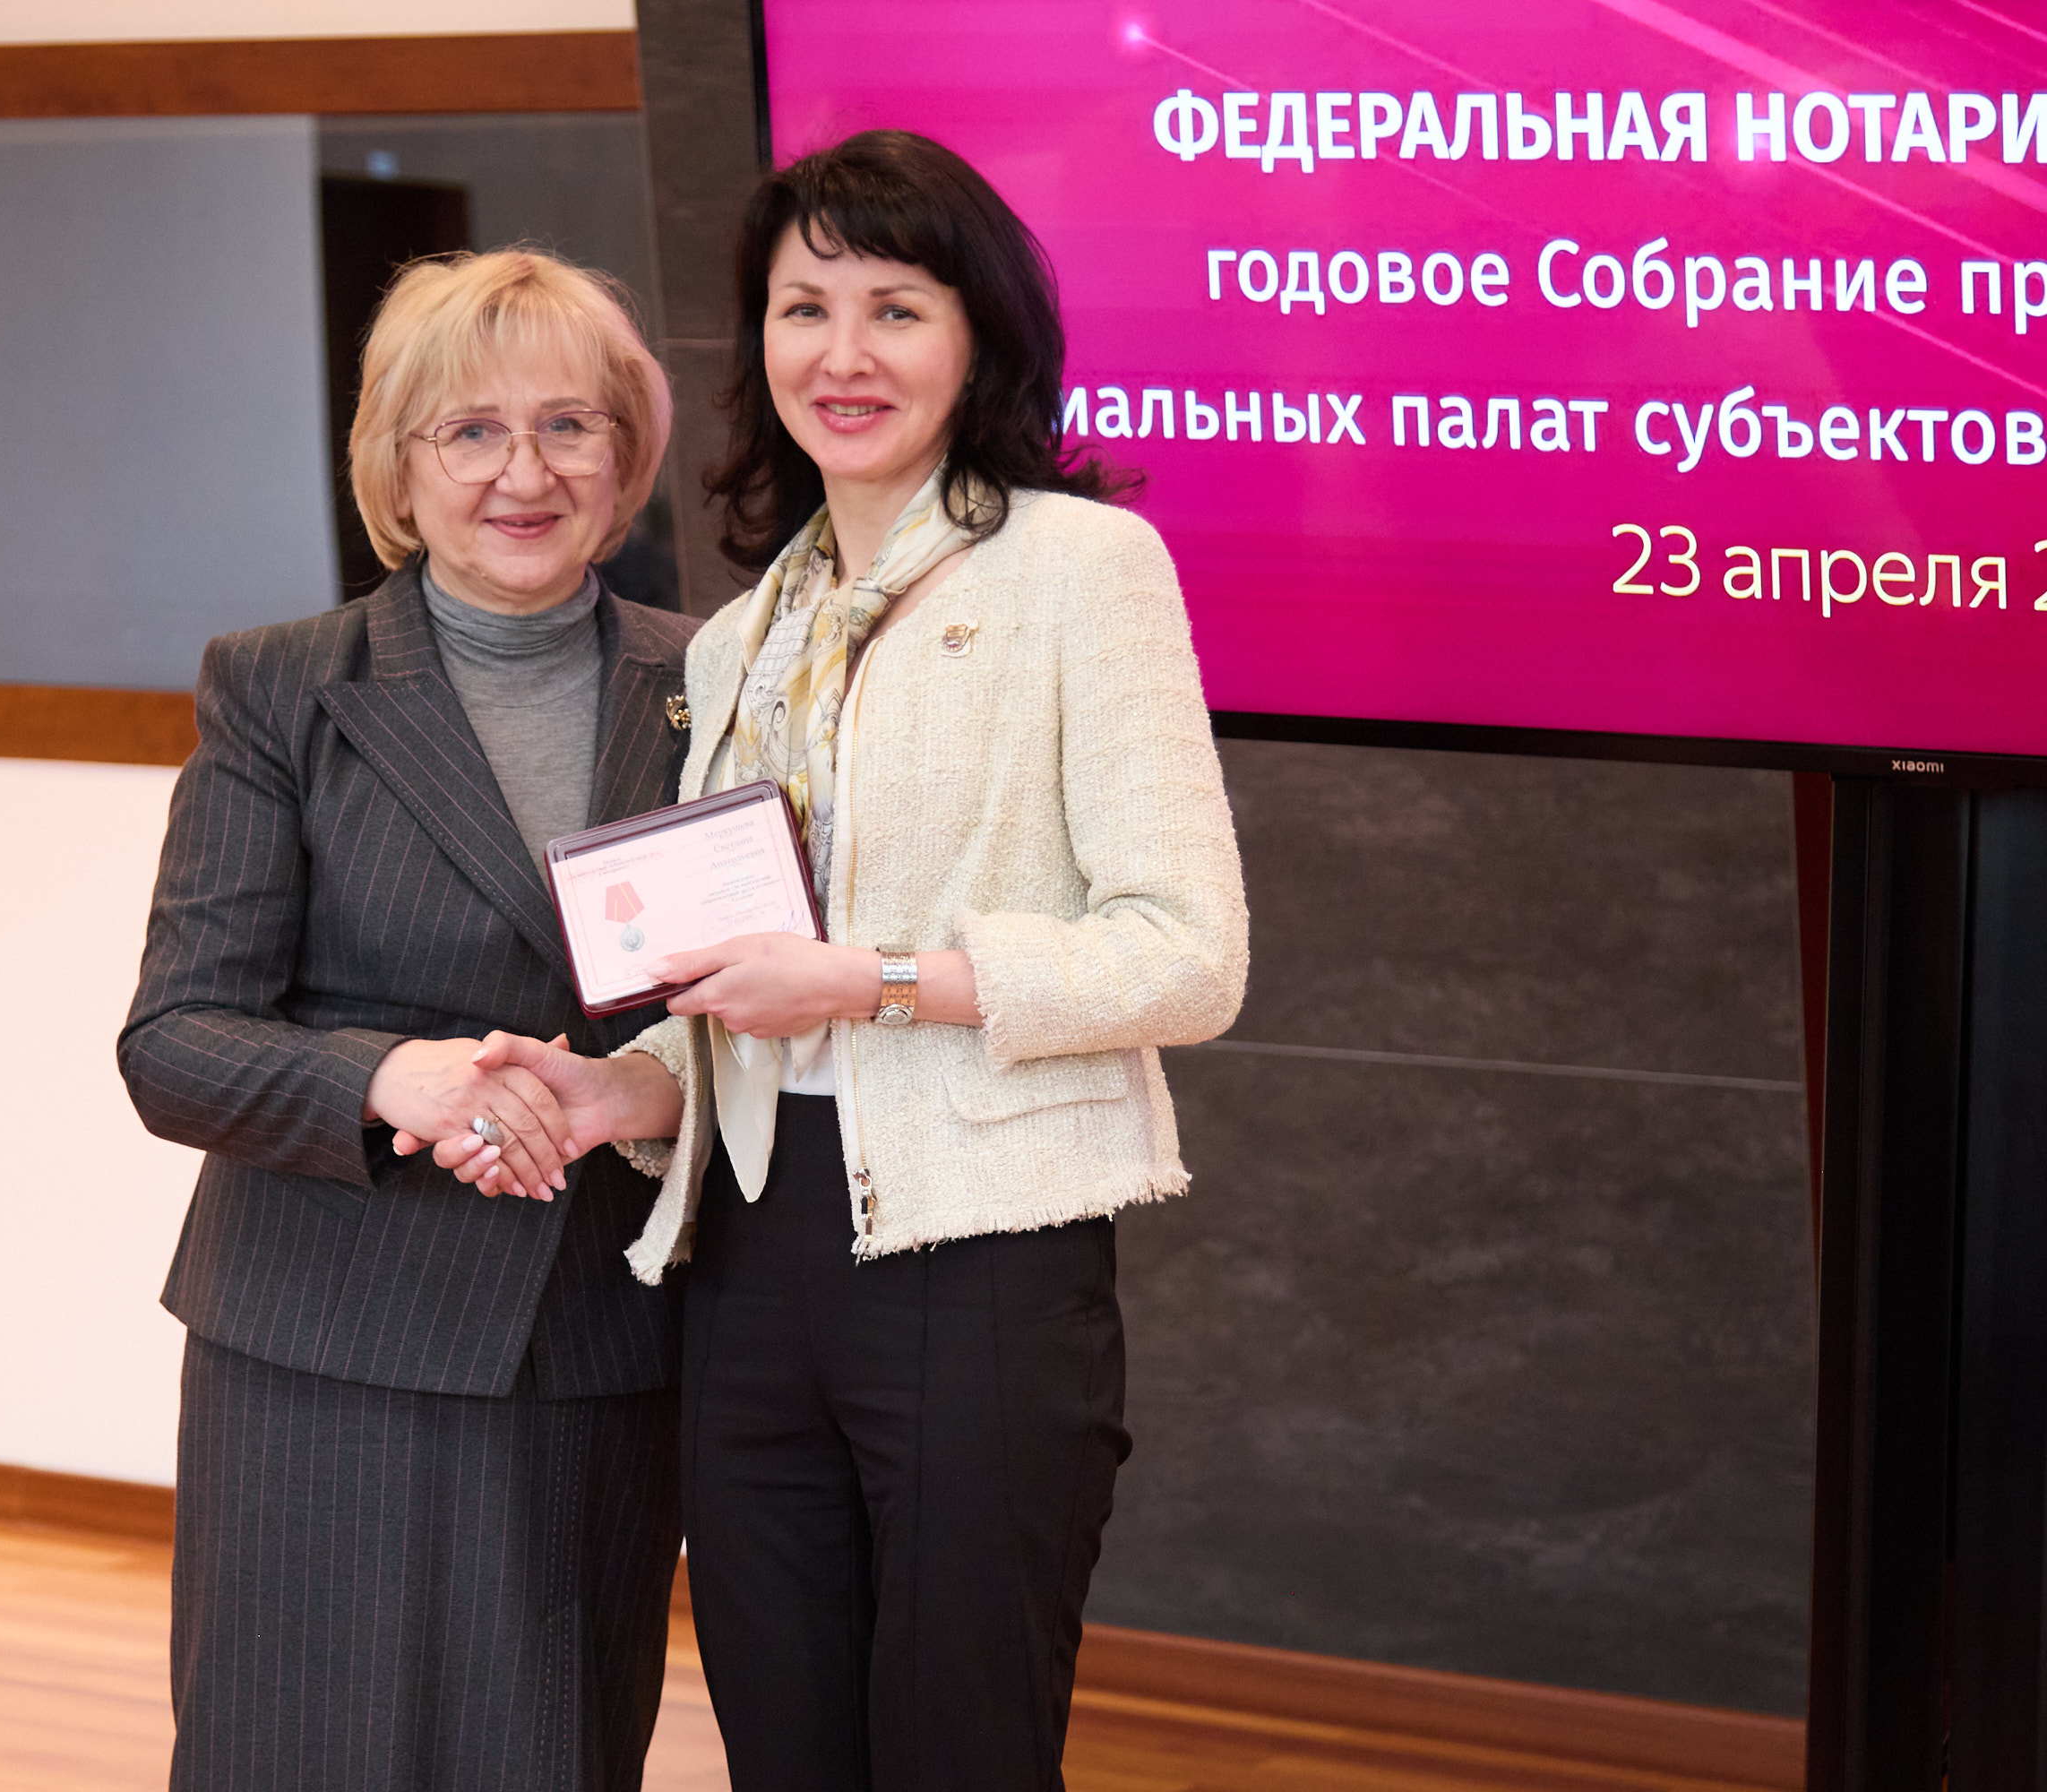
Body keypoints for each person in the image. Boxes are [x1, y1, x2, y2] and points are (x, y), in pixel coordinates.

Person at [440, 132, 1251, 1790]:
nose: (843, 353)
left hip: (979, 1256)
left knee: (960, 1750)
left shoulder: (1080, 570)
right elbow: (741, 995)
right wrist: (615, 1093)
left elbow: (1186, 959)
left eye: (897, 308)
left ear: (978, 335)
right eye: (804, 309)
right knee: (785, 1746)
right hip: (749, 1260)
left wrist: (873, 980)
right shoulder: (749, 633)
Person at [117, 248, 701, 1792]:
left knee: (551, 1752)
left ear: (626, 455)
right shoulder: (282, 689)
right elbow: (174, 1041)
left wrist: (637, 1087)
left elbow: (758, 1003)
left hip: (595, 1340)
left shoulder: (716, 685)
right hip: (324, 1338)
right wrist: (395, 1078)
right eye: (473, 431)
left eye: (570, 426)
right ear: (398, 460)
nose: (526, 473)